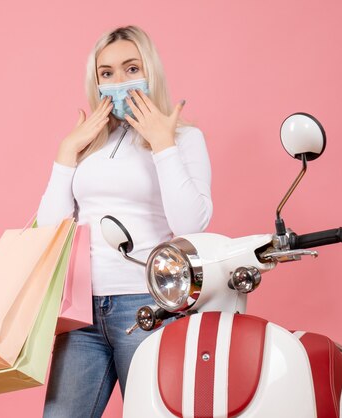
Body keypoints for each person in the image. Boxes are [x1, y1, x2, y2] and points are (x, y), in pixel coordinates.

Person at [36, 25, 213, 417]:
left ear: (151, 72)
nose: (120, 82)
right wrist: (66, 152)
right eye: (107, 73)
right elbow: (50, 229)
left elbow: (191, 225)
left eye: (132, 69)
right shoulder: (89, 145)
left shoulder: (184, 138)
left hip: (148, 305)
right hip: (81, 311)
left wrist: (162, 145)